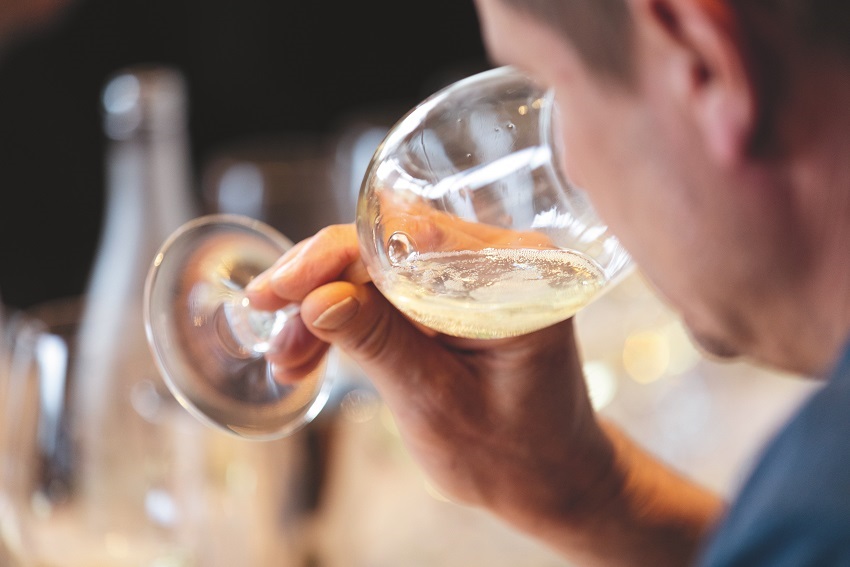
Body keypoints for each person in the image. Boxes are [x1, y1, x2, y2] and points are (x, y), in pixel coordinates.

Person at [245, 0, 850, 565]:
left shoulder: (819, 508)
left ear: (704, 65)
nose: (568, 169)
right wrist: (586, 496)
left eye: (552, 90)